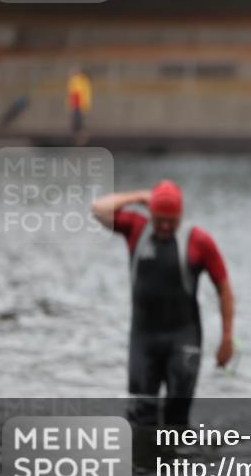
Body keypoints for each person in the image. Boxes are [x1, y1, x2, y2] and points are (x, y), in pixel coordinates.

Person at [91, 180, 234, 427]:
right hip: (143, 340)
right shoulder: (136, 228)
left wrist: (226, 338)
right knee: (140, 417)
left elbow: (224, 290)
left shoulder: (198, 242)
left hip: (184, 339)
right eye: (159, 220)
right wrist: (138, 196)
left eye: (172, 220)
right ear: (151, 214)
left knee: (177, 420)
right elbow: (98, 209)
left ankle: (178, 465)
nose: (166, 226)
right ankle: (144, 466)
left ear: (181, 216)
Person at [67, 66, 92, 146]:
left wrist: (85, 104)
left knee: (79, 123)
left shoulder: (80, 80)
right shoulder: (77, 80)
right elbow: (72, 93)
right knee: (76, 123)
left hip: (79, 104)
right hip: (76, 104)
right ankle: (79, 139)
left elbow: (81, 93)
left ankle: (81, 139)